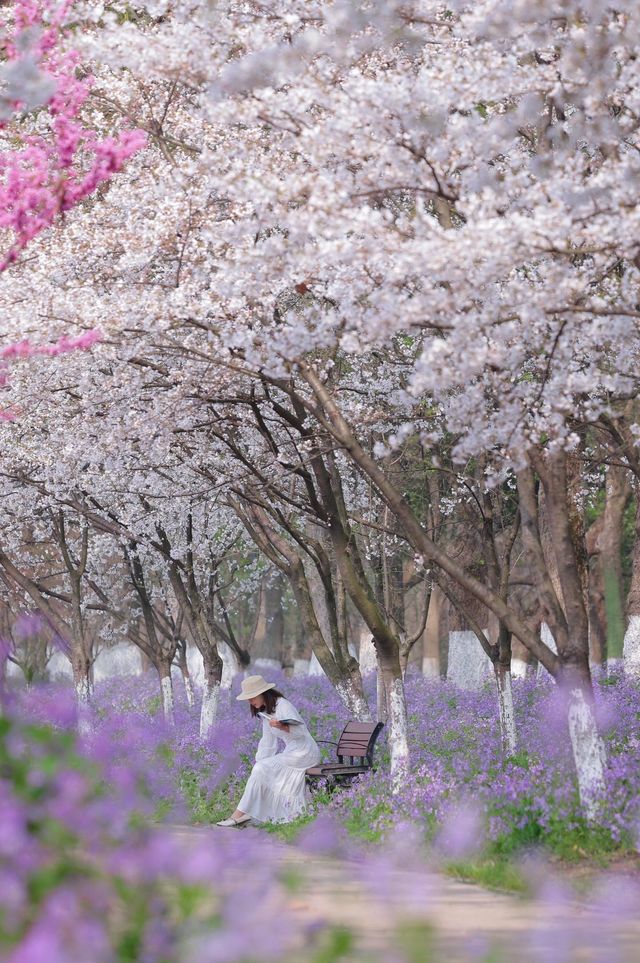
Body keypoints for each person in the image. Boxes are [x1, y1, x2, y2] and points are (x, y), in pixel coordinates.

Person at [216, 674, 321, 827]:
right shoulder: (267, 712)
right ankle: (244, 813)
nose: (250, 701)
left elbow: (301, 733)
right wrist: (259, 764)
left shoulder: (283, 705)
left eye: (252, 697)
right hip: (292, 752)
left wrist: (282, 726)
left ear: (263, 693)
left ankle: (238, 815)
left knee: (262, 769)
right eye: (248, 698)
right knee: (261, 768)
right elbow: (268, 742)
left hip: (305, 752)